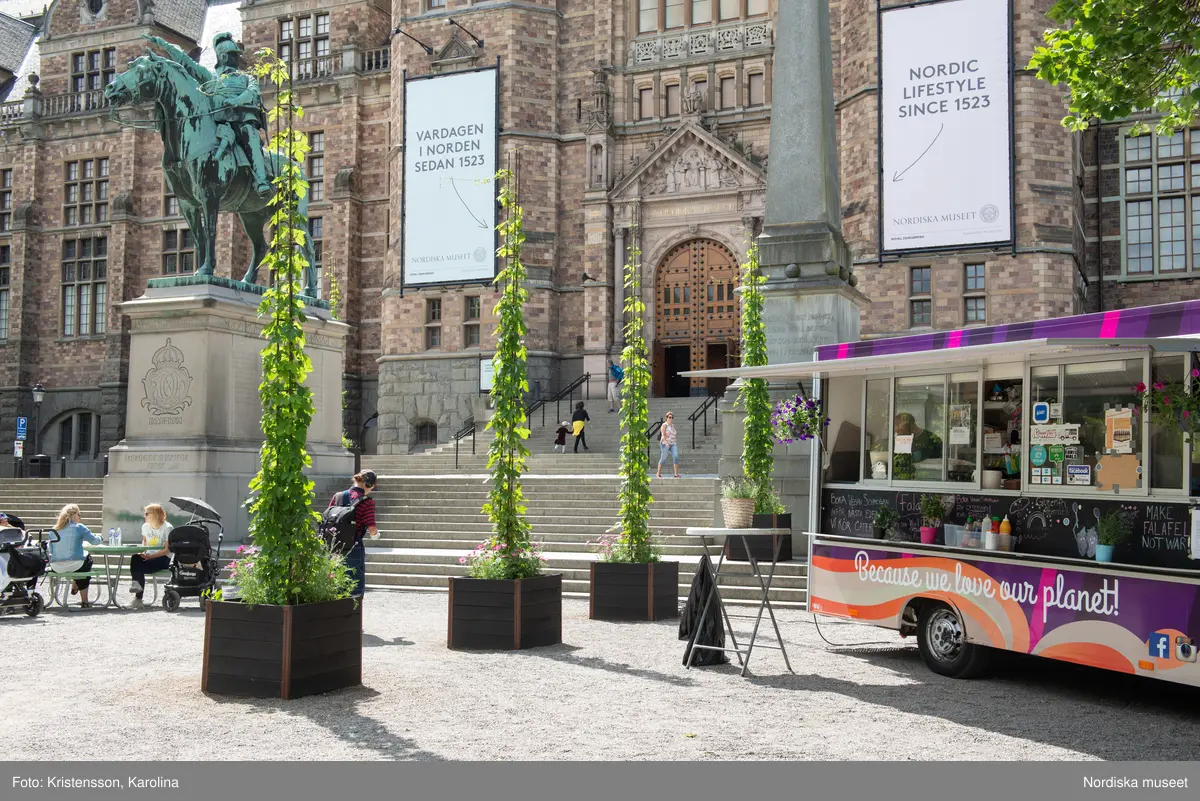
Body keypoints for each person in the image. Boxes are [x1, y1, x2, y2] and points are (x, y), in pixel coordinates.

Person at [329, 470, 379, 597]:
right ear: (369, 485)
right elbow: (371, 527)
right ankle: (353, 614)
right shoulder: (367, 502)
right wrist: (376, 535)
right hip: (353, 546)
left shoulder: (338, 496)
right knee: (354, 586)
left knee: (335, 583)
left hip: (334, 546)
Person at [48, 503, 101, 608]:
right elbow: (94, 541)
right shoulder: (79, 527)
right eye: (79, 515)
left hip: (56, 566)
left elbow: (51, 549)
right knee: (87, 562)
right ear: (75, 514)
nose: (79, 518)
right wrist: (101, 538)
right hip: (75, 564)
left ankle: (75, 583)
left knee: (80, 563)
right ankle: (84, 600)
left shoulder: (53, 530)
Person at [127, 503, 174, 608]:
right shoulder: (145, 527)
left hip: (163, 559)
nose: (145, 516)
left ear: (156, 514)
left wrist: (149, 557)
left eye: (147, 513)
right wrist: (142, 552)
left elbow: (166, 550)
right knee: (135, 558)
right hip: (149, 556)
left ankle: (138, 598)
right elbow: (144, 543)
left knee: (138, 566)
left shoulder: (167, 527)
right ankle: (136, 585)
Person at [656, 411, 680, 478]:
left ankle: (676, 474)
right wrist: (666, 443)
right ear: (666, 418)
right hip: (665, 443)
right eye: (669, 417)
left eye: (672, 417)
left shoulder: (673, 426)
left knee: (676, 456)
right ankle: (658, 473)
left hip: (673, 444)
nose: (671, 418)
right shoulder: (664, 425)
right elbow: (663, 435)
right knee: (663, 458)